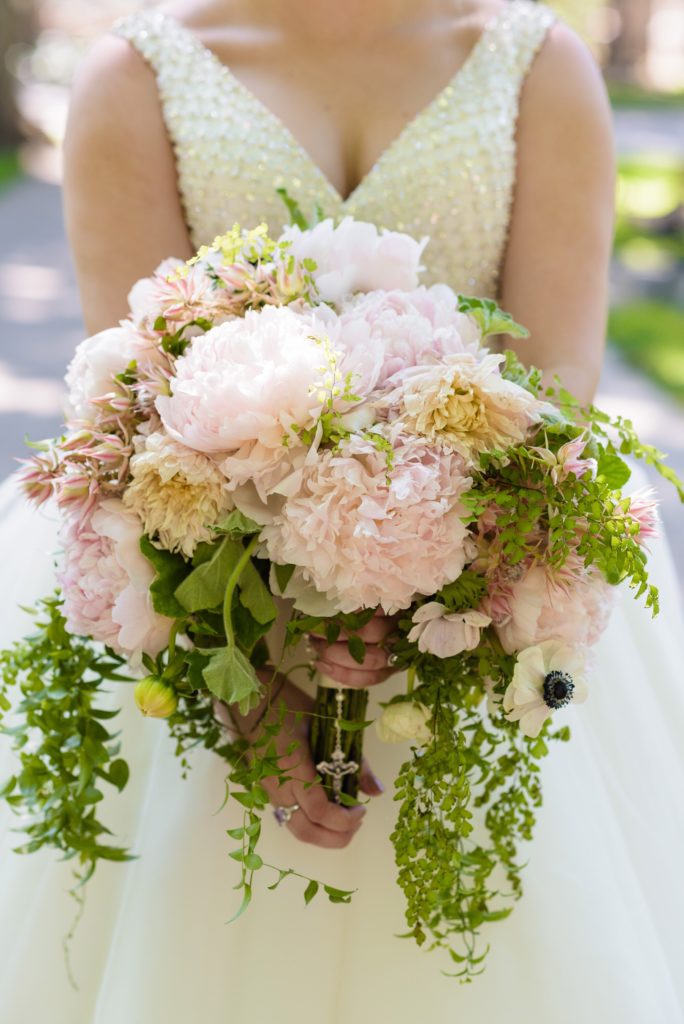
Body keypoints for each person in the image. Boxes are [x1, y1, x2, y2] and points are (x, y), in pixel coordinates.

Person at [0, 1, 683, 1020]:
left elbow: (558, 400)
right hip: (218, 619)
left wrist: (431, 585)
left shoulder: (537, 67)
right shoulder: (136, 78)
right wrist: (259, 682)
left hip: (474, 605)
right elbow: (139, 418)